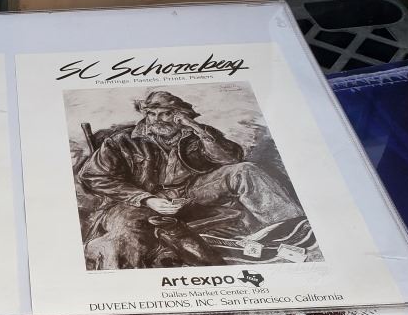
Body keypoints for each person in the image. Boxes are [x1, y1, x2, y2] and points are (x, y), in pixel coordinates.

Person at [77, 90, 303, 270]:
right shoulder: (123, 140)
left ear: (179, 114)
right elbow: (93, 176)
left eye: (165, 114)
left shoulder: (196, 133)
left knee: (245, 170)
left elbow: (232, 158)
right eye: (151, 114)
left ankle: (295, 231)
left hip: (191, 192)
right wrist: (146, 199)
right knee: (126, 233)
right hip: (137, 201)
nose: (157, 119)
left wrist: (196, 128)